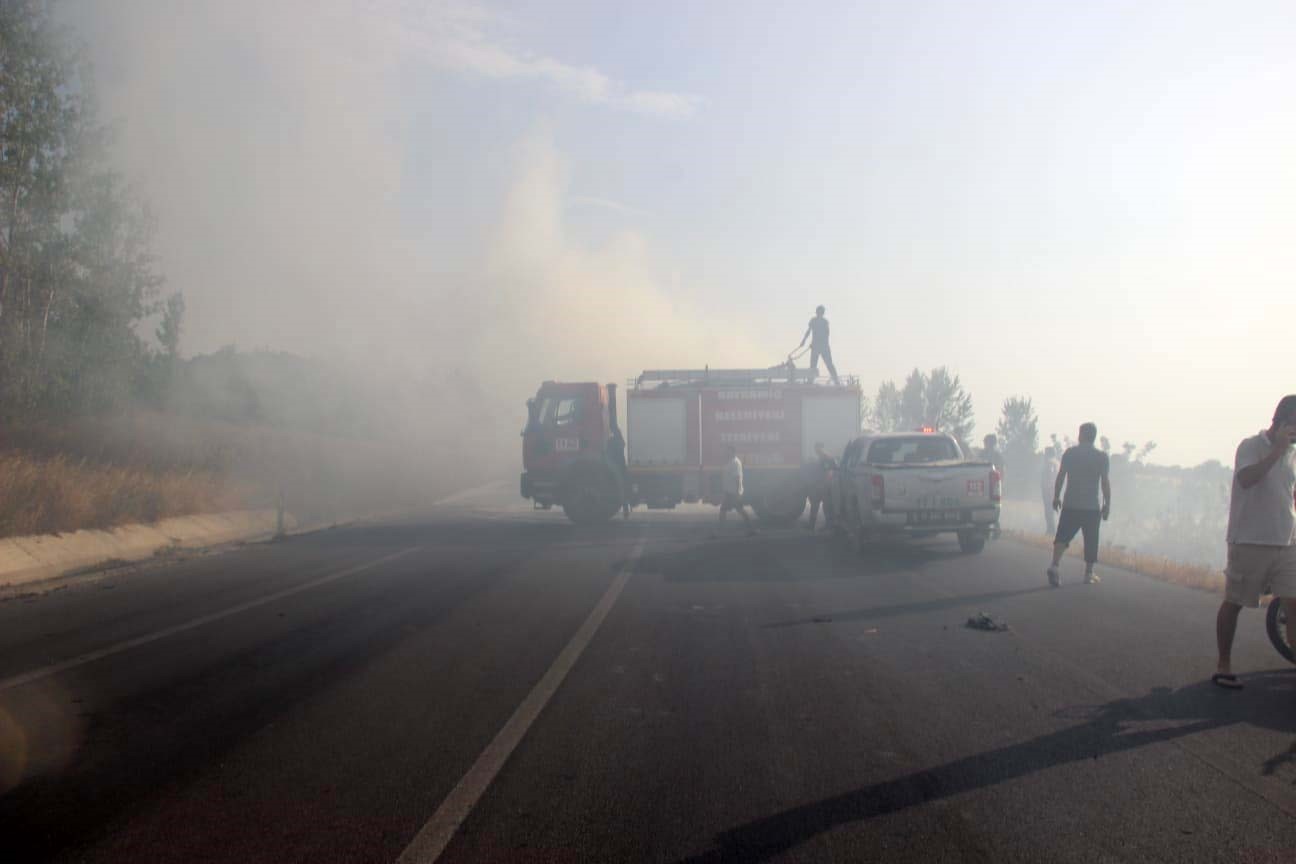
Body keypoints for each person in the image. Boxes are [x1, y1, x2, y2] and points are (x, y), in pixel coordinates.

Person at [1212, 395, 1296, 690]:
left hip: (1286, 542)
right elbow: (1247, 479)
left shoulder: (1294, 454)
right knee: (1235, 602)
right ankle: (1224, 664)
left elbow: (1288, 492)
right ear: (1283, 421)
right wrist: (1277, 451)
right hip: (1250, 539)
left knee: (1294, 603)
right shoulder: (1251, 446)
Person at [1047, 422, 1111, 587]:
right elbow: (1104, 482)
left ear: (1081, 435)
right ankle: (1088, 573)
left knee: (1062, 536)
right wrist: (1107, 504)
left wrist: (1056, 497)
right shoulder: (1101, 457)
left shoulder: (1070, 453)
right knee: (1091, 539)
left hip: (1070, 504)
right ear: (1094, 436)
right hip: (1091, 507)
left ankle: (1054, 565)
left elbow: (1061, 476)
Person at [798, 305, 839, 386]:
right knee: (813, 365)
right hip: (818, 346)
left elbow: (826, 335)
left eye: (820, 312)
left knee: (828, 364)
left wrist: (808, 342)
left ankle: (836, 380)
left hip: (822, 346)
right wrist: (804, 341)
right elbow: (809, 331)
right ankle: (811, 381)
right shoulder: (814, 321)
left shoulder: (824, 322)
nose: (819, 313)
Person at [719, 445, 756, 534]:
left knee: (739, 510)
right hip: (729, 492)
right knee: (726, 510)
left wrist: (738, 493)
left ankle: (751, 529)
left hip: (733, 492)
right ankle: (750, 529)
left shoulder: (735, 462)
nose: (725, 452)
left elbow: (738, 478)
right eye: (725, 451)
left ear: (732, 452)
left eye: (727, 451)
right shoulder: (730, 462)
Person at [804, 442, 837, 533]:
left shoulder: (826, 458)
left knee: (826, 507)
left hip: (824, 486)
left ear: (821, 448)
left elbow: (830, 472)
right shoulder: (821, 458)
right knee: (815, 506)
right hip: (819, 486)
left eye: (817, 448)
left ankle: (829, 526)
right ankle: (812, 526)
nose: (816, 450)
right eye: (815, 449)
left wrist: (825, 484)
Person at [606, 427, 630, 520]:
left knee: (620, 490)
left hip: (616, 468)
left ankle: (624, 510)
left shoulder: (612, 442)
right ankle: (625, 510)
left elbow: (608, 451)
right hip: (621, 467)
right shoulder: (619, 442)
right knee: (623, 489)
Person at [1039, 446, 1059, 535]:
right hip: (1054, 489)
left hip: (1049, 490)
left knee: (1048, 510)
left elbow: (1050, 475)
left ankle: (1051, 530)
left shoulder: (1049, 462)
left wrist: (1047, 487)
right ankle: (1051, 529)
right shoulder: (1057, 462)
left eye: (1046, 452)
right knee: (1050, 511)